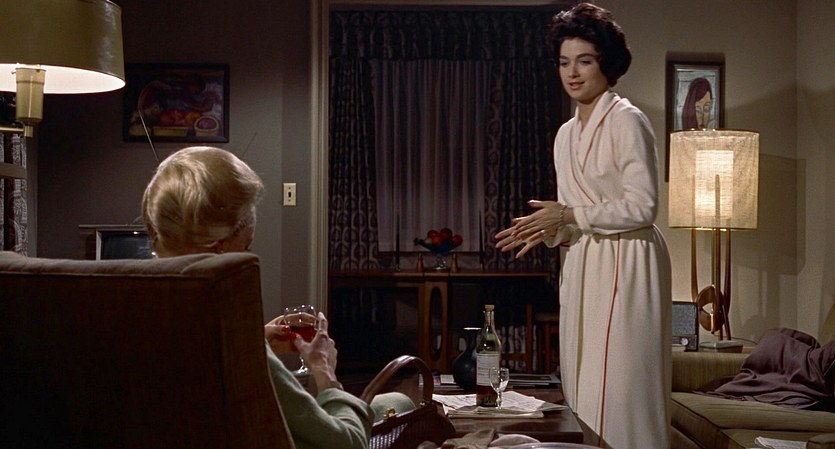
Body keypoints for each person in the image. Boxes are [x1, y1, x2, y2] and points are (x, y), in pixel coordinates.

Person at [494, 4, 672, 448]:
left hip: (629, 260)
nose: (572, 73)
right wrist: (548, 228)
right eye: (564, 62)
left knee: (623, 387)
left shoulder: (627, 121)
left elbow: (643, 206)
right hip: (585, 262)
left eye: (584, 61)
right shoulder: (564, 135)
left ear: (606, 64)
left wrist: (569, 215)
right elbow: (573, 215)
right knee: (583, 382)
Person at [141, 146, 376, 449]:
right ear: (220, 247)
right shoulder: (237, 346)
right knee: (395, 403)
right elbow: (347, 444)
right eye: (246, 247)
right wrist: (324, 372)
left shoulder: (138, 322)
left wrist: (259, 338)